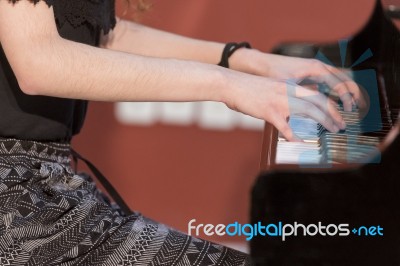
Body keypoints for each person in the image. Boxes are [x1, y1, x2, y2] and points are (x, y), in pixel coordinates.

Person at [0, 0, 363, 265]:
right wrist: (227, 84)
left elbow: (102, 33)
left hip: (47, 185)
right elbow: (38, 60)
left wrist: (241, 59)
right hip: (17, 204)